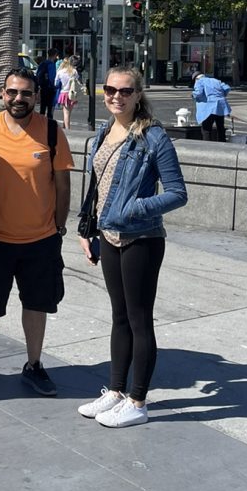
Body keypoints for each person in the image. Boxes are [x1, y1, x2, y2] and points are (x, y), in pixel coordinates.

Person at [77, 65, 187, 428]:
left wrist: (134, 208)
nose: (116, 97)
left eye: (125, 91)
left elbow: (177, 193)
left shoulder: (154, 137)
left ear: (138, 95)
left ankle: (138, 401)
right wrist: (87, 227)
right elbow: (96, 188)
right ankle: (115, 391)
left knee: (140, 319)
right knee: (119, 316)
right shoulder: (103, 132)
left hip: (142, 238)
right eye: (110, 90)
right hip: (108, 235)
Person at [0, 67, 73, 397]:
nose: (18, 98)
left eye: (26, 93)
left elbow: (63, 185)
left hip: (40, 239)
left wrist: (58, 228)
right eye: (12, 92)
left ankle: (34, 364)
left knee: (37, 305)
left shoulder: (51, 131)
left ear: (36, 96)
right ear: (2, 94)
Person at [192, 72, 231, 142]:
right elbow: (227, 88)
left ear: (196, 78)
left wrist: (193, 95)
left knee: (206, 128)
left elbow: (199, 93)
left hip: (208, 108)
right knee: (220, 127)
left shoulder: (199, 81)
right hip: (220, 107)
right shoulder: (215, 80)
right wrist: (222, 95)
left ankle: (208, 145)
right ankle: (222, 143)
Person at [55, 56, 81, 131]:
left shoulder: (60, 72)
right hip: (72, 93)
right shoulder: (74, 71)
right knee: (69, 113)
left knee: (66, 113)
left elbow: (55, 83)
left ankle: (67, 129)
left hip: (64, 93)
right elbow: (77, 81)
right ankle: (66, 127)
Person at [36, 48, 59, 118]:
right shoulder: (51, 64)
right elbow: (52, 77)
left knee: (42, 108)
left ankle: (41, 122)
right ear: (55, 55)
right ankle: (49, 123)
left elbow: (38, 74)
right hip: (50, 89)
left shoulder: (42, 63)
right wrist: (55, 86)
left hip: (43, 88)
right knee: (50, 109)